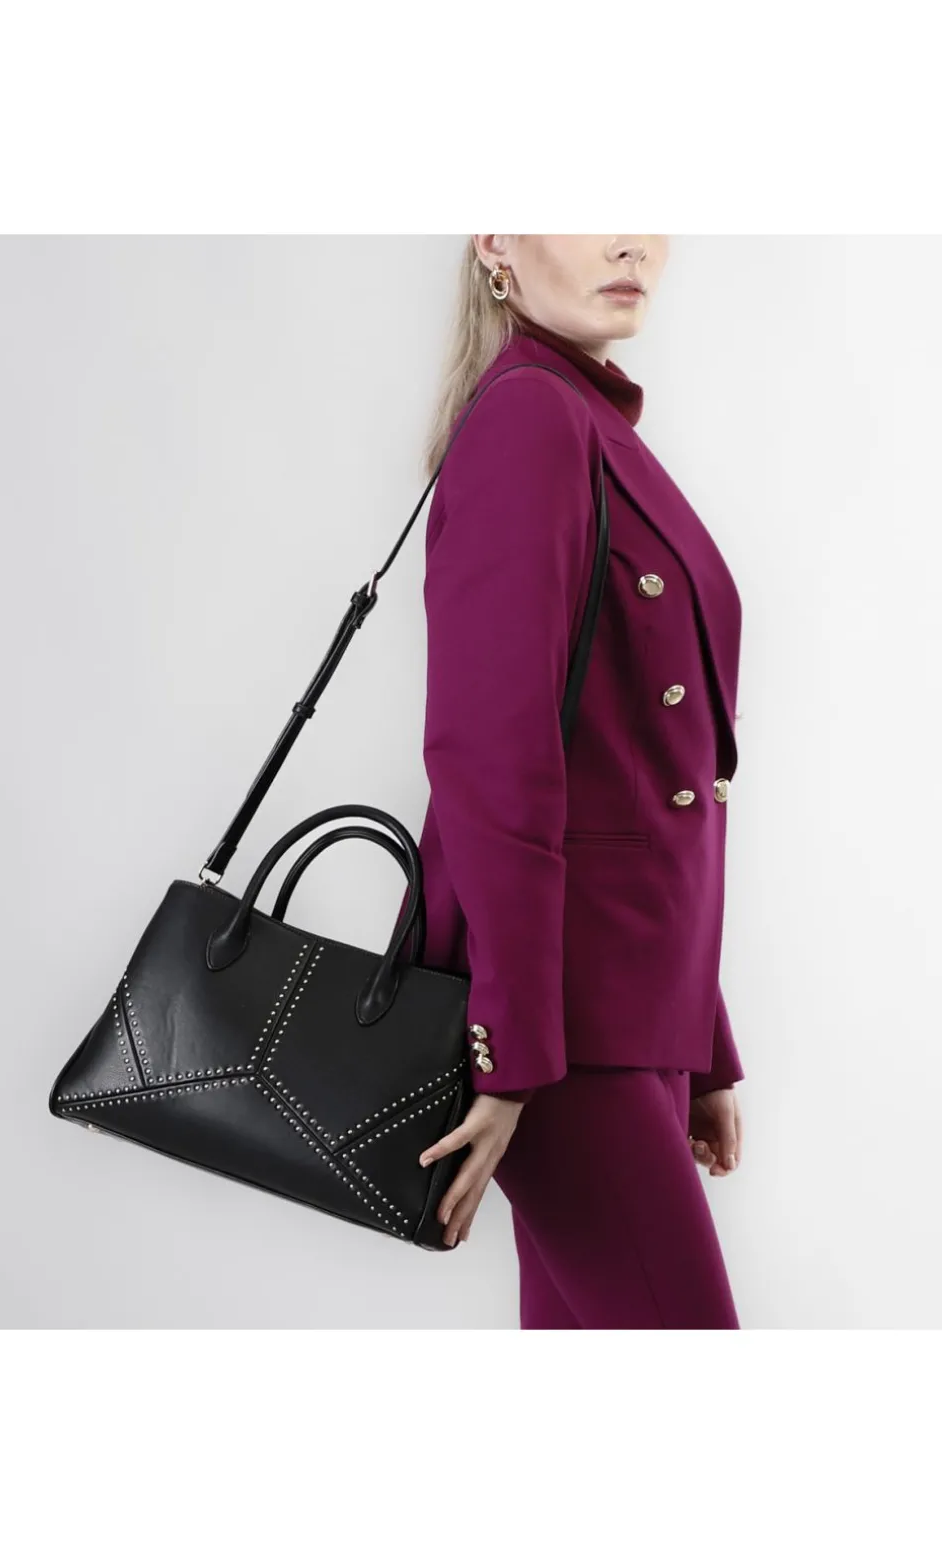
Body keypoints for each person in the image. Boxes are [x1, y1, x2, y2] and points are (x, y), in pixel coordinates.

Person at [415, 235, 744, 1329]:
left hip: (623, 1014)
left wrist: (701, 1039)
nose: (630, 239)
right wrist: (508, 1057)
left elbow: (642, 765)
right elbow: (490, 757)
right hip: (559, 1034)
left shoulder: (584, 417)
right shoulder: (530, 419)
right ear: (495, 241)